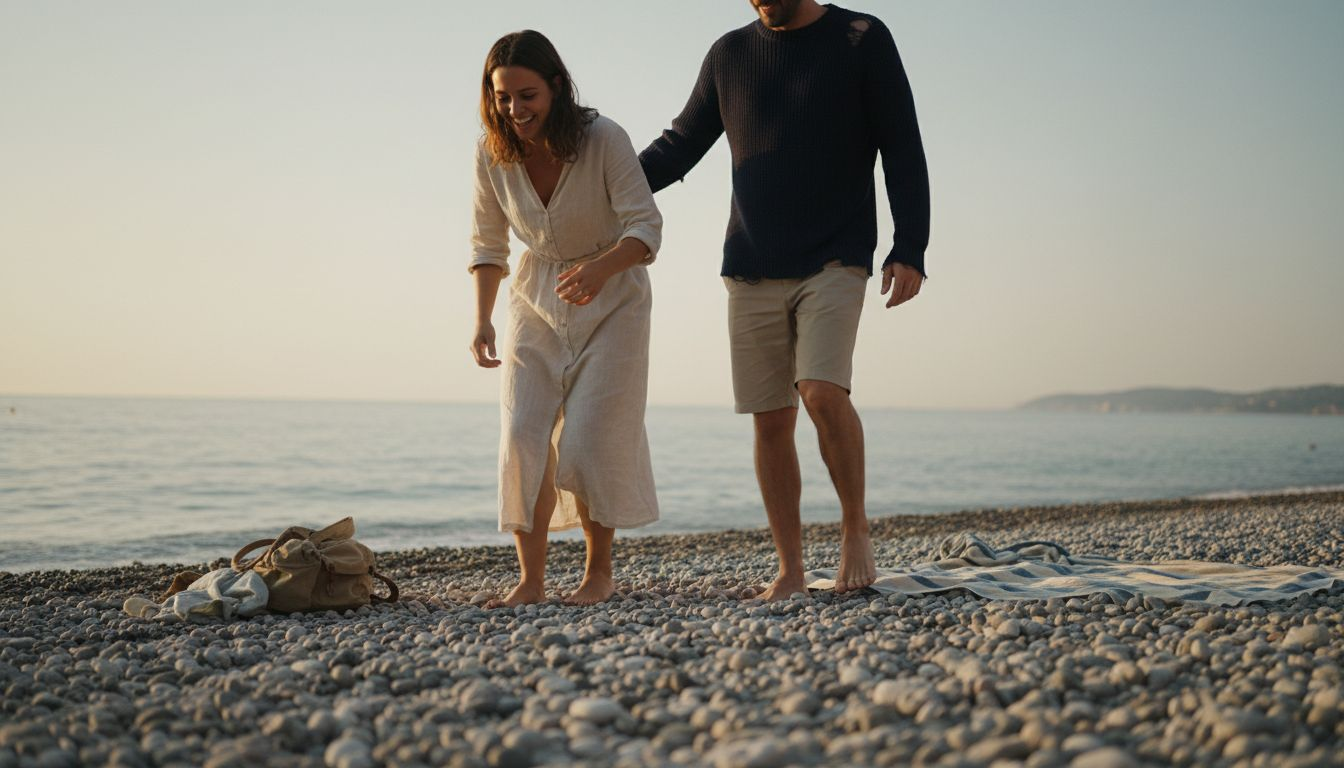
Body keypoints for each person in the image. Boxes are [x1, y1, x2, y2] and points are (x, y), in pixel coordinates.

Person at [639, 0, 930, 600]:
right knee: (771, 419)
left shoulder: (861, 37)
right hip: (750, 263)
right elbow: (679, 145)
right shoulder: (730, 54)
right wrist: (596, 181)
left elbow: (901, 144)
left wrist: (911, 246)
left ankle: (854, 525)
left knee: (821, 391)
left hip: (835, 255)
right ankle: (791, 568)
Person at [468, 30, 663, 607]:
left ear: (556, 86)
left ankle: (597, 573)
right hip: (534, 297)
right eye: (503, 98)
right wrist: (482, 319)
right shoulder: (490, 152)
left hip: (615, 299)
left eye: (526, 95)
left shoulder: (603, 138)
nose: (515, 110)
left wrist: (603, 269)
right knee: (522, 433)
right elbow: (487, 243)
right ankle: (529, 581)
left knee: (593, 435)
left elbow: (645, 226)